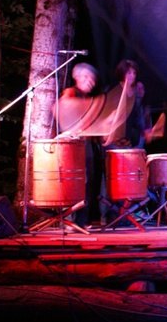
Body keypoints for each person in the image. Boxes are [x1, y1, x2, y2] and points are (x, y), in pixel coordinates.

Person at [57, 62, 103, 228]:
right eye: (87, 78)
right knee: (76, 182)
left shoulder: (86, 98)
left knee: (87, 182)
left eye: (93, 79)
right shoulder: (71, 93)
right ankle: (70, 220)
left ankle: (81, 221)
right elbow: (61, 109)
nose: (91, 82)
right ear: (77, 77)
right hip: (73, 146)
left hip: (85, 145)